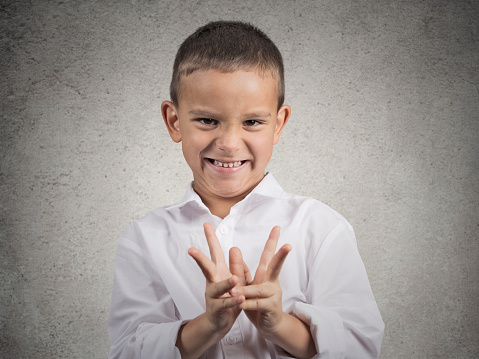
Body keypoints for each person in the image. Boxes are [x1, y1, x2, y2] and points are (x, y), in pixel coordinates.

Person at [108, 21, 384, 359]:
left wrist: (277, 323)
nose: (228, 143)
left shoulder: (322, 228)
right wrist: (208, 325)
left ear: (279, 124)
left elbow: (360, 348)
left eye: (252, 122)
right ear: (174, 121)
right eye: (208, 120)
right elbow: (127, 352)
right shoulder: (144, 239)